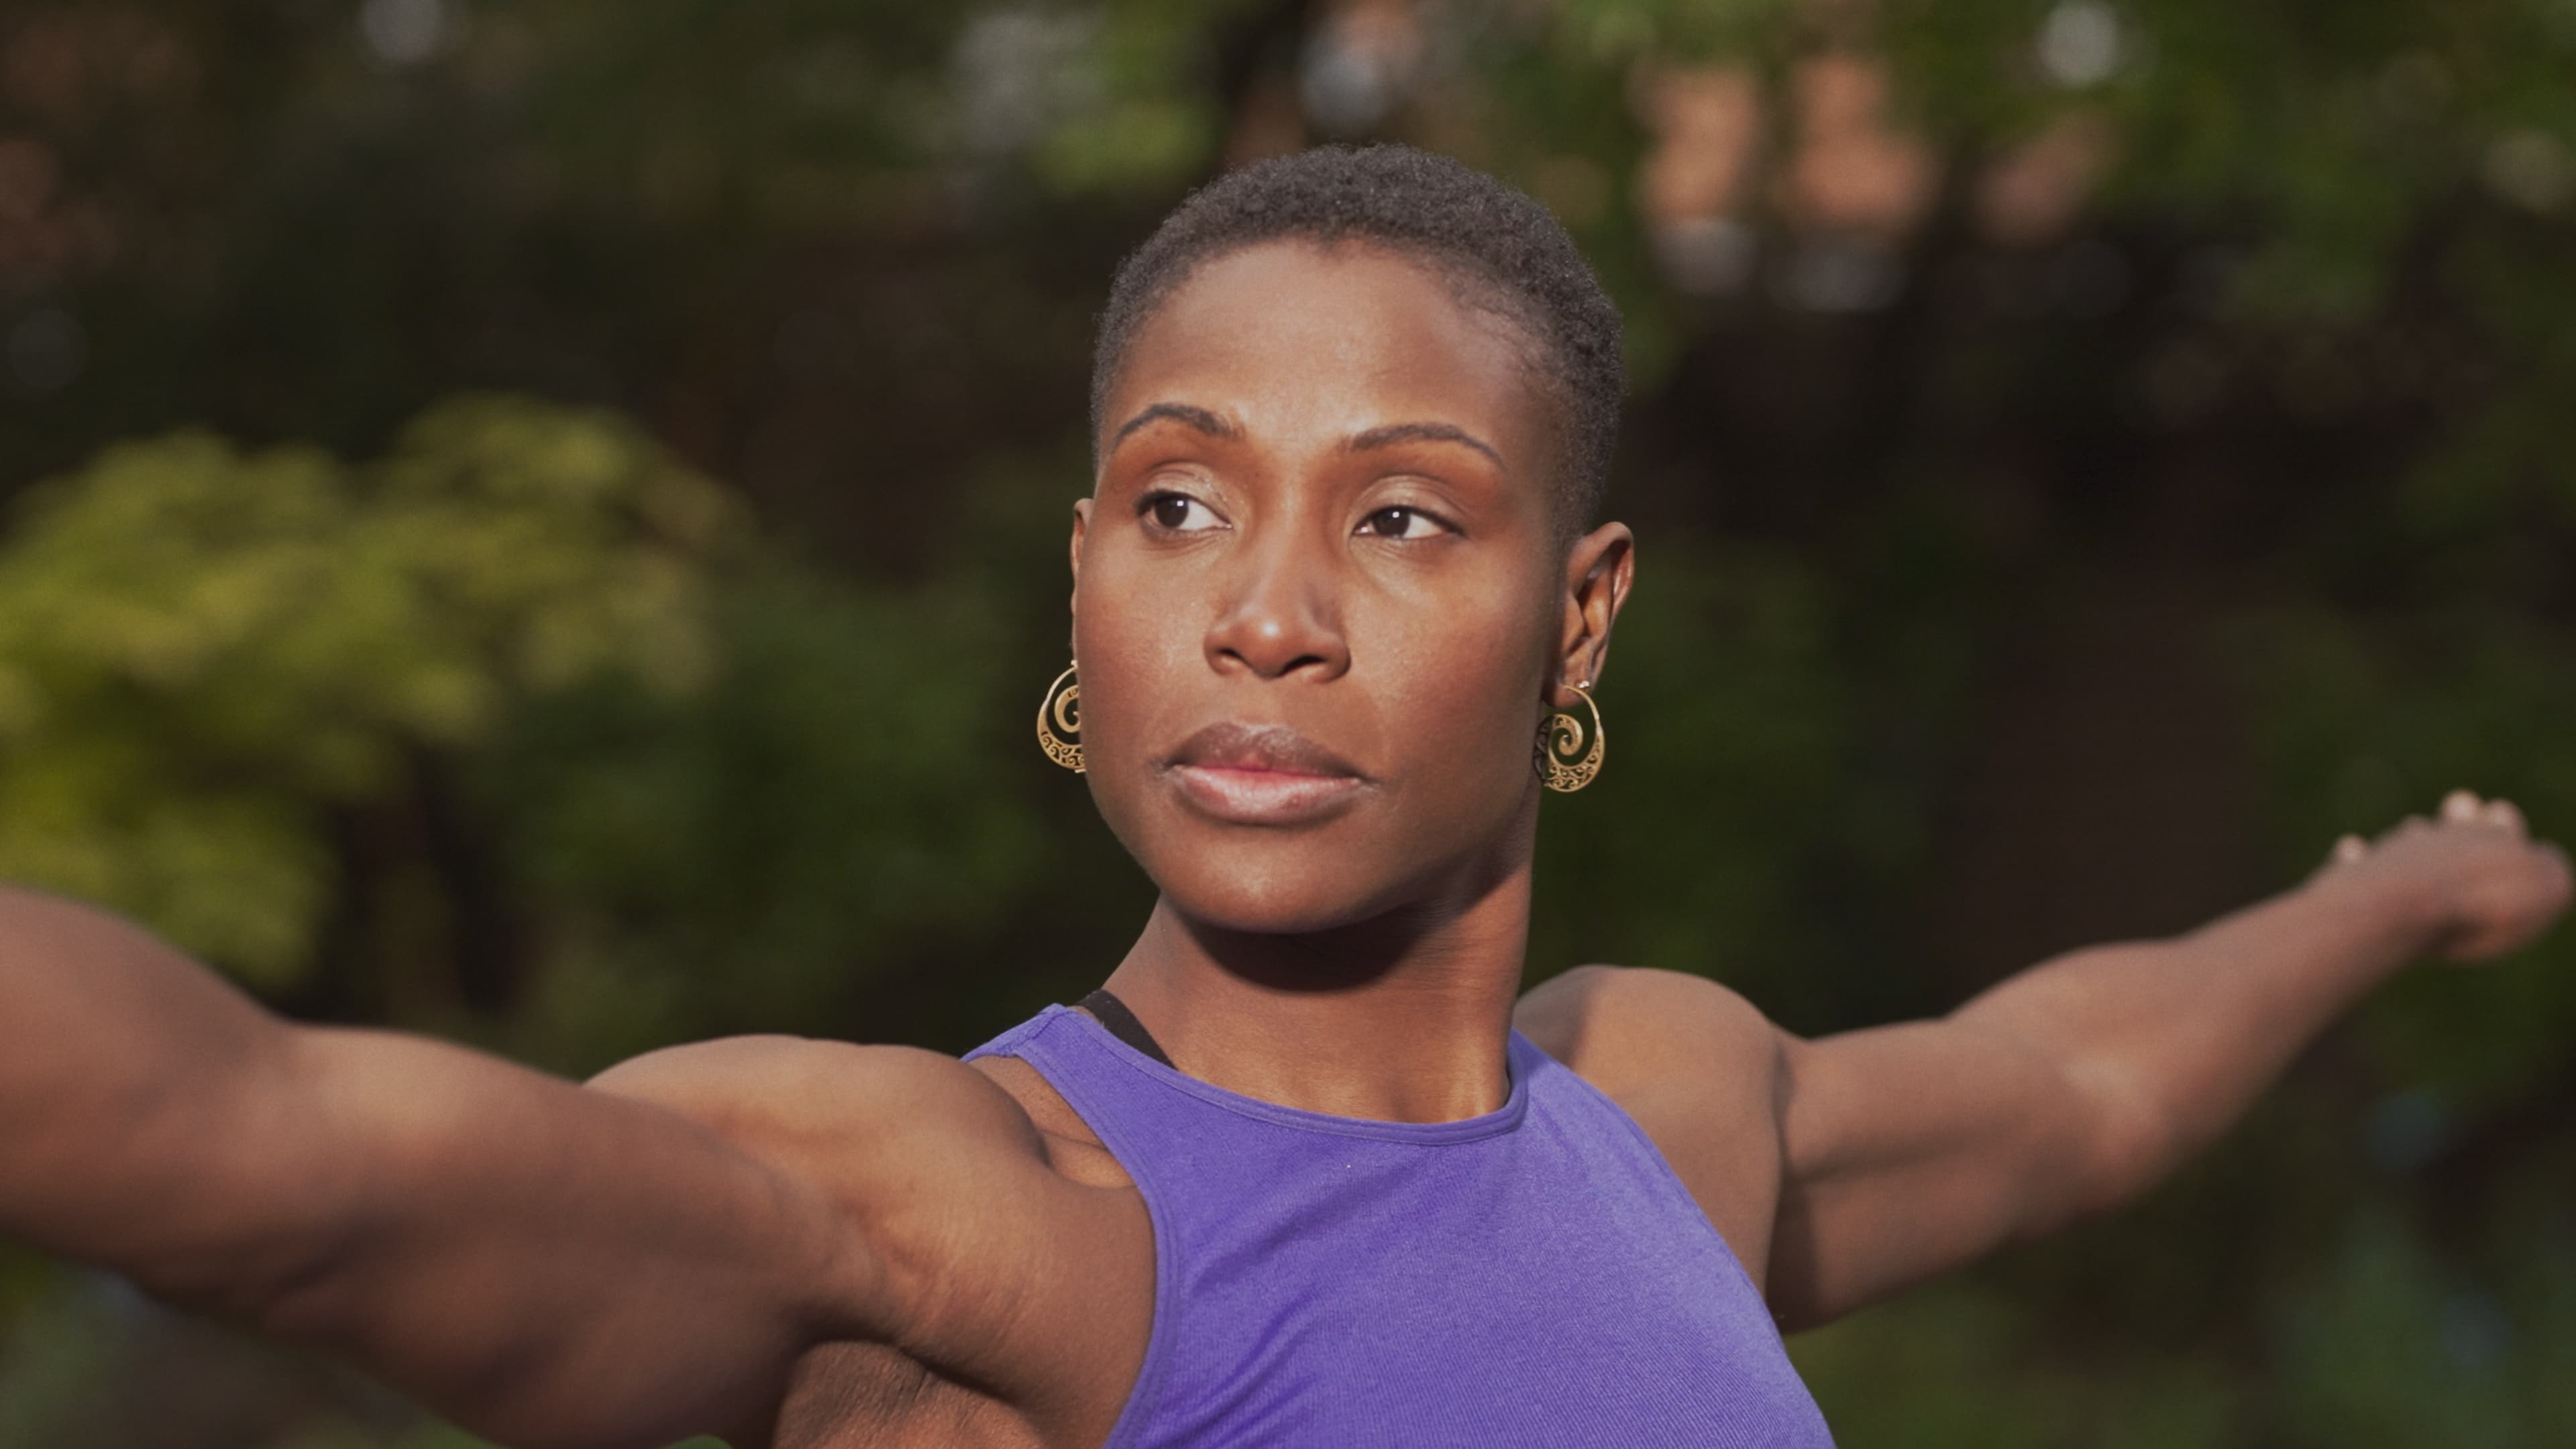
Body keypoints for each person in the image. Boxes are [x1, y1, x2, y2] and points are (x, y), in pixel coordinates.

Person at [1, 144, 2569, 1449]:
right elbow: (272, 1153)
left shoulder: (1668, 1114)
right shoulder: (963, 1222)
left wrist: (2388, 897)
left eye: (1407, 513)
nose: (1266, 611)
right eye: (1182, 499)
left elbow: (2080, 1084)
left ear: (1581, 617)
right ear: (1087, 575)